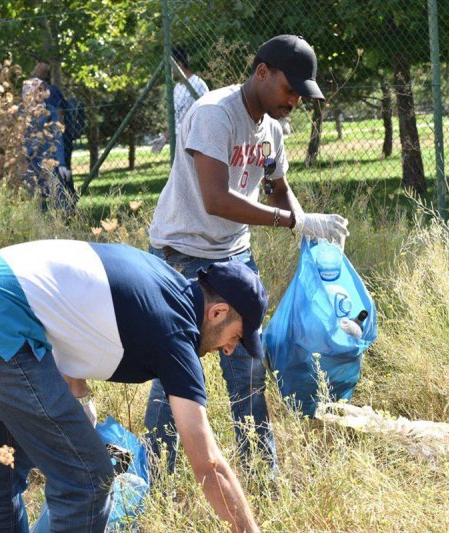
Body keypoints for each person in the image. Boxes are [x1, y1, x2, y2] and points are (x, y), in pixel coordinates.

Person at [0, 240, 264, 532]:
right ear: (218, 312)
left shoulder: (161, 282)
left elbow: (69, 302)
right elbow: (208, 464)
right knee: (88, 482)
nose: (231, 349)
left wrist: (77, 393)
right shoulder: (175, 333)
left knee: (4, 464)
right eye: (236, 336)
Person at [146, 34, 349, 475]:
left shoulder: (272, 128)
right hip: (182, 256)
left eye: (301, 94)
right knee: (174, 374)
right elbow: (216, 200)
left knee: (249, 370)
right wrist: (294, 221)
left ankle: (262, 475)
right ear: (261, 72)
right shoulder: (214, 115)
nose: (294, 100)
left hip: (234, 255)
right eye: (289, 88)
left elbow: (277, 190)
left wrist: (307, 229)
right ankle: (154, 480)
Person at [31, 62, 85, 198]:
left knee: (61, 172)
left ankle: (67, 204)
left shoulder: (51, 92)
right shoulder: (37, 93)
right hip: (50, 141)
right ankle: (65, 202)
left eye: (35, 72)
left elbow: (59, 116)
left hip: (58, 140)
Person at [21, 77, 73, 210]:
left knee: (60, 199)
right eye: (37, 90)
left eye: (43, 90)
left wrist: (61, 163)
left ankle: (63, 224)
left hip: (50, 162)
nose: (41, 94)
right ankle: (39, 227)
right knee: (35, 202)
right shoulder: (21, 113)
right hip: (28, 164)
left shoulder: (50, 111)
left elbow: (57, 137)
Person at [152, 46, 210, 153]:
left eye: (170, 66)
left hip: (195, 142)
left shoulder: (198, 84)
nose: (169, 71)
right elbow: (177, 118)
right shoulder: (177, 88)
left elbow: (206, 115)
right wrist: (164, 137)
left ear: (179, 65)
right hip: (179, 141)